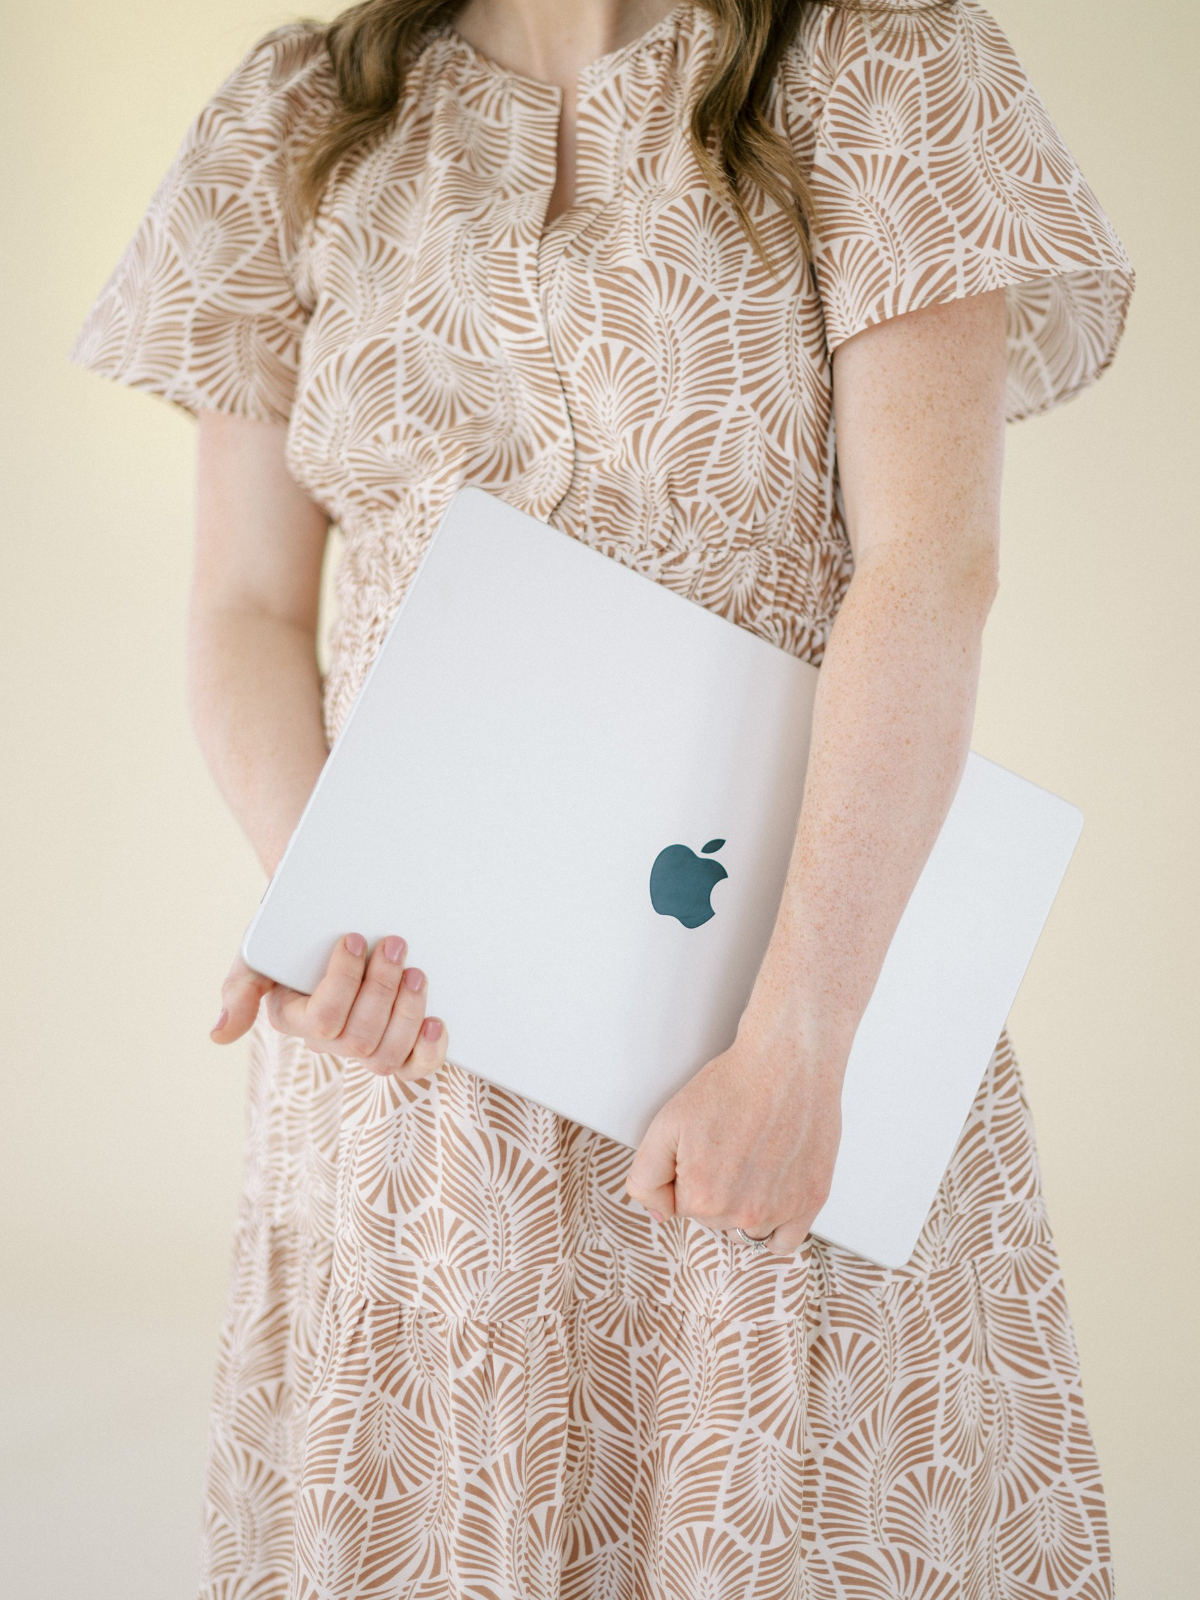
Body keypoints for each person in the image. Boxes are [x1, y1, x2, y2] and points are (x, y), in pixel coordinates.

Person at [70, 0, 1133, 1591]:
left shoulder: (889, 61)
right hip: (416, 1052)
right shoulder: (293, 119)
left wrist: (804, 1036)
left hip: (787, 985)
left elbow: (933, 568)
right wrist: (334, 900)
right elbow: (240, 607)